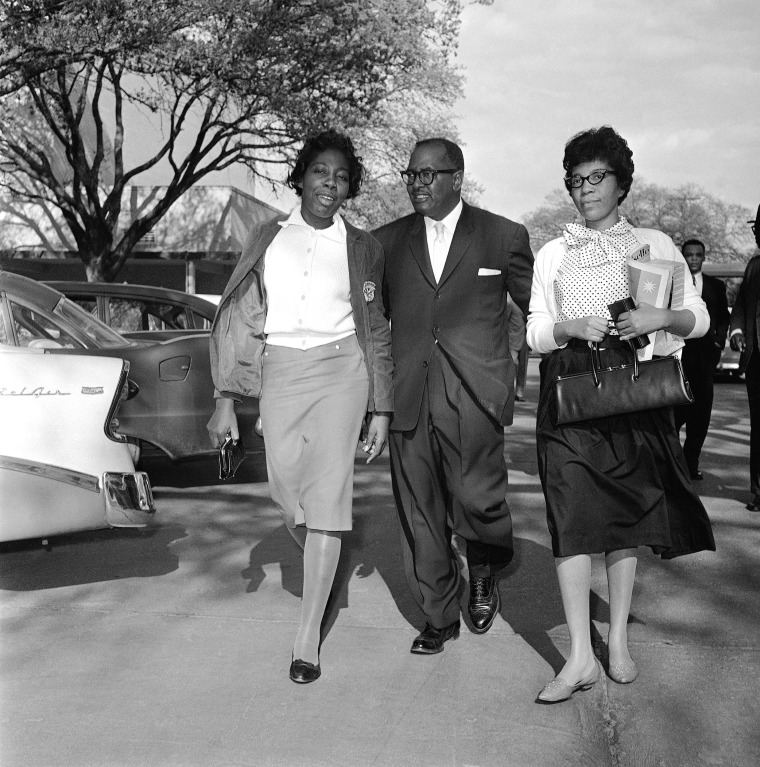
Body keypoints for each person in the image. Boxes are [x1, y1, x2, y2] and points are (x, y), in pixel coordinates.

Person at [526, 126, 716, 703]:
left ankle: (618, 642)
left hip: (634, 394)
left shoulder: (655, 245)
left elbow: (699, 319)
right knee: (570, 517)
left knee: (625, 518)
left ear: (619, 182)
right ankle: (580, 657)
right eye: (576, 180)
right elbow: (534, 331)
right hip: (570, 393)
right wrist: (567, 328)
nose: (585, 189)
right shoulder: (552, 252)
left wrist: (658, 319)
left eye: (596, 178)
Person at [207, 129, 393, 684]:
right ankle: (320, 546)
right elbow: (242, 321)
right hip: (282, 369)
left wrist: (381, 407)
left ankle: (308, 632)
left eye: (340, 177)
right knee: (286, 489)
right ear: (301, 175)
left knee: (329, 495)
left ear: (349, 186)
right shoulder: (268, 237)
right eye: (320, 173)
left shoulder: (364, 247)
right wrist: (225, 400)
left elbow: (376, 328)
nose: (329, 185)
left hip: (343, 370)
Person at [373, 138, 533, 654]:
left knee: (478, 501)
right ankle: (439, 616)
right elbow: (372, 323)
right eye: (411, 174)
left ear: (457, 177)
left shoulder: (502, 236)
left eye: (429, 174)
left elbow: (539, 308)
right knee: (419, 510)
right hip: (409, 393)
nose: (418, 183)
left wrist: (510, 373)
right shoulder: (386, 242)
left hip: (474, 394)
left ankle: (485, 564)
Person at [673, 239, 730, 480]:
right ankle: (673, 467)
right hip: (679, 357)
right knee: (675, 414)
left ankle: (690, 464)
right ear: (683, 256)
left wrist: (718, 342)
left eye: (698, 255)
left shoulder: (716, 286)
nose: (694, 258)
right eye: (689, 254)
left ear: (703, 257)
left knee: (701, 416)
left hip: (705, 358)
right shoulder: (675, 284)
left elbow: (723, 319)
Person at [729, 204, 760, 511]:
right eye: (757, 229)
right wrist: (737, 330)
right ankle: (759, 491)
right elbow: (740, 306)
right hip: (757, 360)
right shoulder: (754, 266)